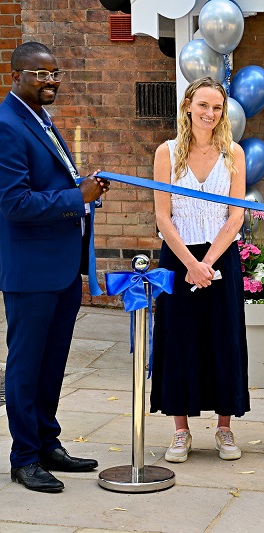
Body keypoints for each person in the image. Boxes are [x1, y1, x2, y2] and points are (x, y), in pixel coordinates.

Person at [0, 41, 109, 492]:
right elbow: (14, 202)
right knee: (26, 366)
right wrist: (75, 199)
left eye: (55, 73)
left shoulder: (40, 120)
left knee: (52, 363)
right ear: (16, 76)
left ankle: (47, 442)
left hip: (60, 268)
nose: (51, 81)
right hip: (31, 271)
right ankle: (24, 457)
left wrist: (84, 189)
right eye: (40, 74)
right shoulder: (8, 126)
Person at [149, 77, 249, 463]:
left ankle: (224, 428)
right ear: (188, 105)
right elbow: (162, 214)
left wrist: (208, 263)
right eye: (203, 105)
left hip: (220, 257)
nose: (210, 113)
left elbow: (236, 214)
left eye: (217, 107)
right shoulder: (167, 152)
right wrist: (190, 264)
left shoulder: (233, 153)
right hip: (178, 258)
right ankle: (181, 432)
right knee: (179, 340)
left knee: (224, 338)